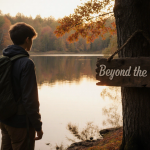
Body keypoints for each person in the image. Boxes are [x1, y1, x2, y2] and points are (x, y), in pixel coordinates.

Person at [0, 22, 43, 150]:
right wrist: (38, 126)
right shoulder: (26, 63)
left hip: (5, 119)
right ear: (27, 39)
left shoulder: (4, 59)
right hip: (20, 123)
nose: (31, 43)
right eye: (32, 40)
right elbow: (30, 100)